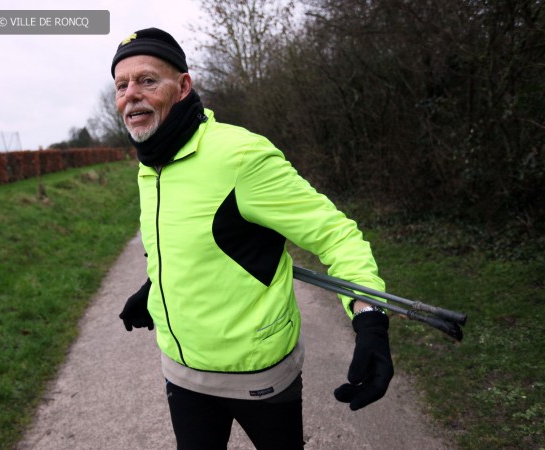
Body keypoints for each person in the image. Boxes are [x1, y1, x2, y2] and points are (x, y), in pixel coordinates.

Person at [113, 28, 394, 450]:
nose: (131, 94)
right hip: (180, 372)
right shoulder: (150, 161)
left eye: (147, 80)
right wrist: (154, 287)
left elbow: (336, 234)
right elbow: (190, 238)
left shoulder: (240, 156)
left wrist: (370, 317)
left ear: (183, 86)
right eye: (122, 85)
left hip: (259, 376)